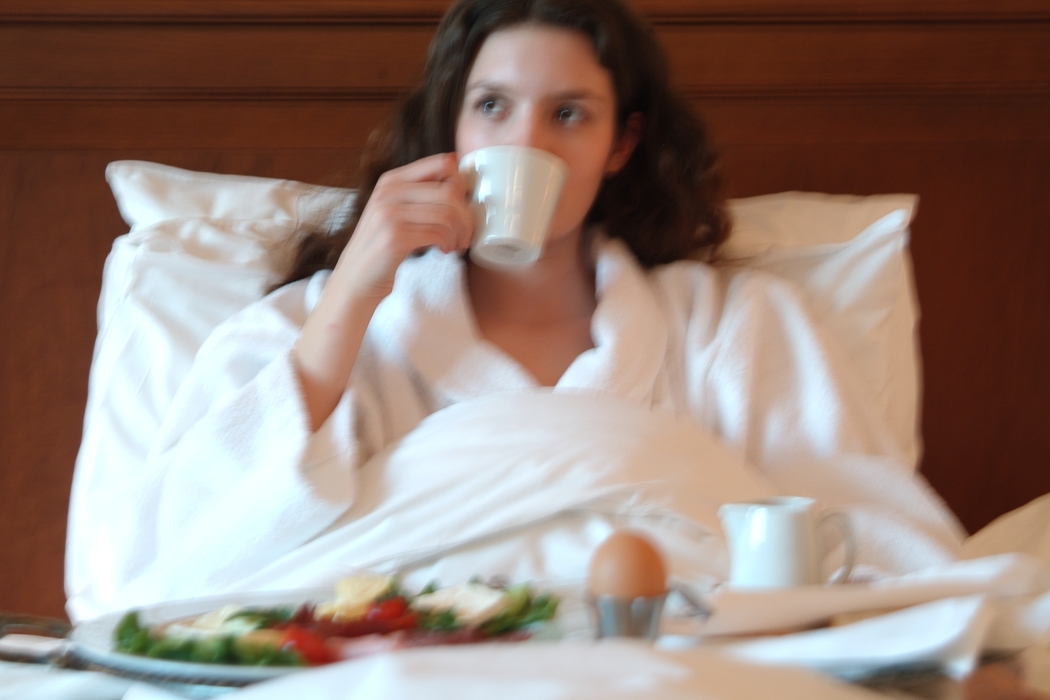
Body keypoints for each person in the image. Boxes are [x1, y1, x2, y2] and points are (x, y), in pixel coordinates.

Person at [65, 0, 964, 622]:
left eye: (568, 114)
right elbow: (159, 565)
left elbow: (879, 549)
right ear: (453, 128)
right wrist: (351, 296)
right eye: (491, 107)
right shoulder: (318, 328)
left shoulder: (736, 324)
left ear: (622, 144)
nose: (523, 142)